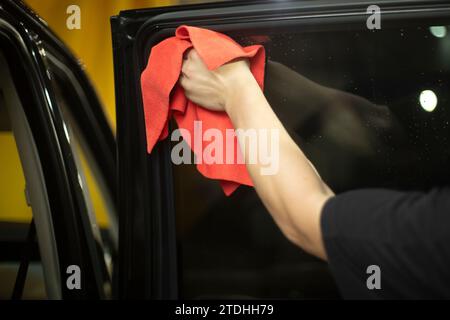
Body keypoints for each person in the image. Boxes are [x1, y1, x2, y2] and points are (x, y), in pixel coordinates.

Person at [179, 49, 450, 299]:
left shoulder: (434, 232)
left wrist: (235, 90)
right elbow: (387, 125)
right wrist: (271, 82)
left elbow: (308, 219)